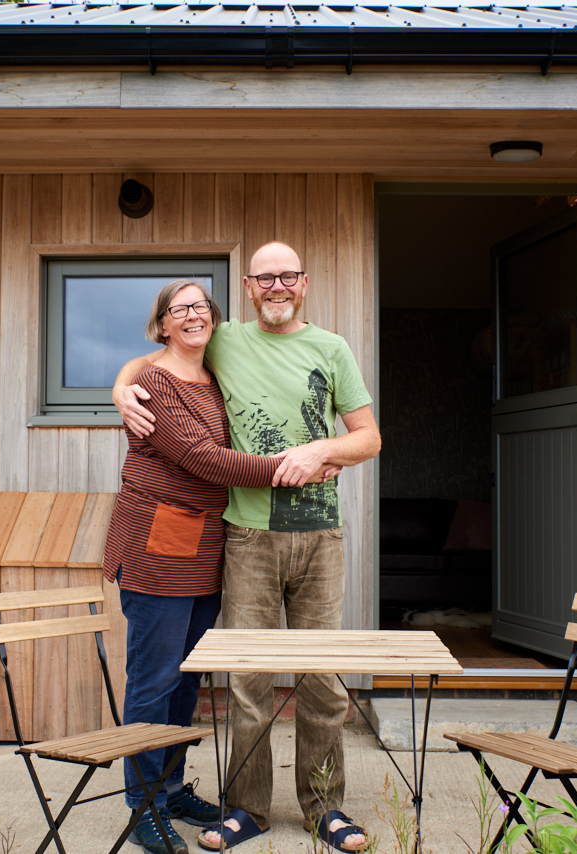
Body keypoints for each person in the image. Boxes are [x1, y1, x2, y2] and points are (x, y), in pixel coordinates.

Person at [113, 242, 382, 853]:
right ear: (250, 287)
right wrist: (120, 386)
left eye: (288, 275)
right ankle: (246, 809)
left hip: (313, 535)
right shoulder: (224, 338)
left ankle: (323, 807)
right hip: (242, 538)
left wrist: (321, 451)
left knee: (321, 681)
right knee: (243, 681)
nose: (277, 286)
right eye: (266, 277)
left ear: (304, 283)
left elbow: (368, 439)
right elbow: (157, 365)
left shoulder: (330, 348)